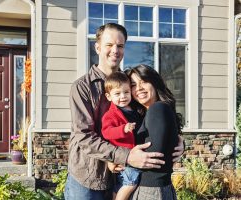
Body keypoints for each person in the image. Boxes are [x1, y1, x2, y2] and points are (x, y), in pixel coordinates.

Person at [64, 23, 184, 200]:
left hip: (123, 177)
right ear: (97, 47)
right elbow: (84, 136)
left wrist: (177, 140)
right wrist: (127, 156)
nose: (115, 50)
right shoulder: (82, 87)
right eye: (109, 45)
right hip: (88, 177)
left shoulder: (129, 83)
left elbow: (149, 121)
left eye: (120, 46)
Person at [125, 64, 182, 200]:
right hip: (156, 189)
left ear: (155, 83)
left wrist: (124, 159)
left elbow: (153, 156)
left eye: (143, 82)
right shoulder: (150, 112)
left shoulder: (157, 109)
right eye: (133, 85)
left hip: (151, 191)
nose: (138, 88)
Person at [101, 72, 142, 200]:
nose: (123, 96)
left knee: (121, 184)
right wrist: (123, 129)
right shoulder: (111, 115)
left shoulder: (134, 109)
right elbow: (106, 132)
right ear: (108, 96)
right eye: (117, 94)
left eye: (126, 92)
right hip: (125, 156)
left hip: (133, 153)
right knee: (131, 183)